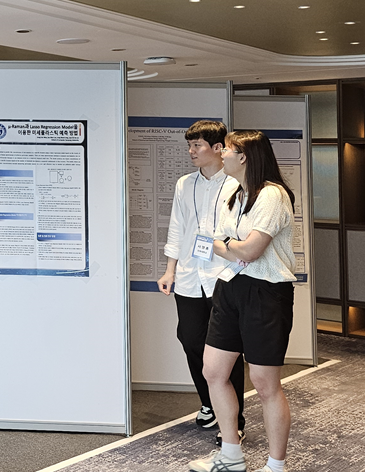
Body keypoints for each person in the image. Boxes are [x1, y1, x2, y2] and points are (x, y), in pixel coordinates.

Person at [189, 131, 297, 472]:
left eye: (228, 149)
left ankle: (276, 466)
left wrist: (229, 245)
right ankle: (231, 454)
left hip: (266, 292)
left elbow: (250, 250)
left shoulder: (273, 195)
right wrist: (231, 246)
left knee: (265, 383)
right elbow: (220, 242)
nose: (221, 154)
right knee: (213, 371)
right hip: (230, 286)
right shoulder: (235, 194)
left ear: (244, 156)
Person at [156, 121, 247, 443]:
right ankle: (209, 401)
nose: (191, 151)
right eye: (190, 145)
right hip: (190, 275)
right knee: (191, 339)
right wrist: (170, 270)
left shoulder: (237, 183)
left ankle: (234, 420)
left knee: (228, 348)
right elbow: (177, 227)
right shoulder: (184, 184)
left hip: (225, 274)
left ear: (218, 148)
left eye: (197, 145)